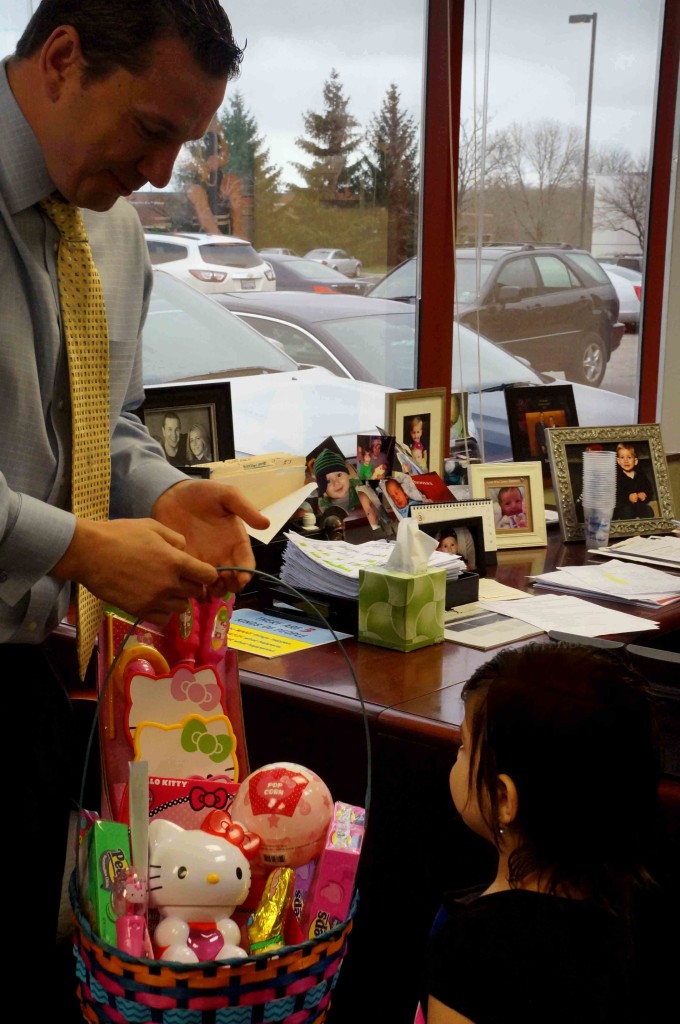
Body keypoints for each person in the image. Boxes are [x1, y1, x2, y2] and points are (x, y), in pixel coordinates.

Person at [0, 0, 270, 1007]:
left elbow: (106, 428)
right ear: (63, 59)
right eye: (152, 131)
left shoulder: (111, 230)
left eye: (185, 145)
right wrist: (76, 547)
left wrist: (169, 494)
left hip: (34, 683)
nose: (160, 176)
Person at [421, 643, 664, 1024]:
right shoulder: (625, 910)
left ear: (503, 799)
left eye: (464, 746)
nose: (457, 755)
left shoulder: (474, 946)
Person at [614, 443, 655, 519]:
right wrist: (628, 497)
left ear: (635, 461)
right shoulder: (617, 477)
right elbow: (617, 495)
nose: (626, 461)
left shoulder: (641, 475)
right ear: (618, 461)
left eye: (629, 457)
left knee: (648, 510)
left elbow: (649, 490)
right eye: (622, 457)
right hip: (624, 506)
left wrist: (645, 494)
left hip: (640, 504)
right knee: (626, 512)